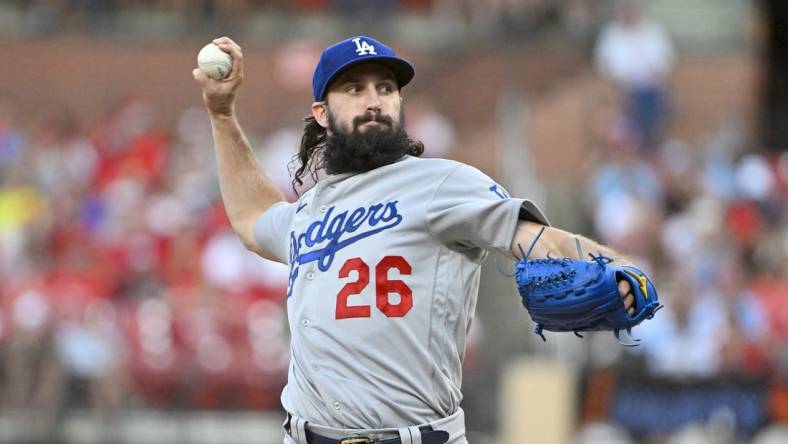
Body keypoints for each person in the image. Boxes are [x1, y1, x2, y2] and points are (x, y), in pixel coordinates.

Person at [193, 35, 638, 444]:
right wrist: (221, 114)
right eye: (354, 89)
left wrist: (613, 267)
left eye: (386, 89)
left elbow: (534, 237)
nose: (374, 101)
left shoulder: (441, 183)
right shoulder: (309, 211)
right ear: (321, 113)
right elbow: (253, 217)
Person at [594, 0, 675, 152]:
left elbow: (666, 63)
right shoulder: (611, 34)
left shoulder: (653, 31)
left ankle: (651, 149)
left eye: (632, 8)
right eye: (626, 8)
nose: (629, 13)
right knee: (622, 115)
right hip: (623, 90)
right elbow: (604, 67)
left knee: (659, 107)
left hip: (652, 87)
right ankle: (632, 148)